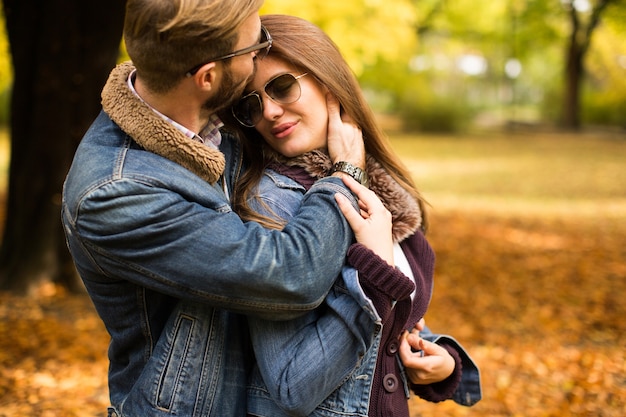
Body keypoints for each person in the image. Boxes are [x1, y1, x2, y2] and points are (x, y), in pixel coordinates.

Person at [61, 1, 386, 416]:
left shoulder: (220, 122)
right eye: (253, 48)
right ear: (208, 76)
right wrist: (343, 173)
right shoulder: (115, 194)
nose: (259, 55)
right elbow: (288, 275)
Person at [222, 14, 482, 417]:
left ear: (327, 81)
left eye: (282, 86)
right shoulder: (269, 205)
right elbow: (292, 385)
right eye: (251, 104)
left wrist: (443, 361)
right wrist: (374, 268)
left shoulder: (386, 190)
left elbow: (392, 325)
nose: (270, 112)